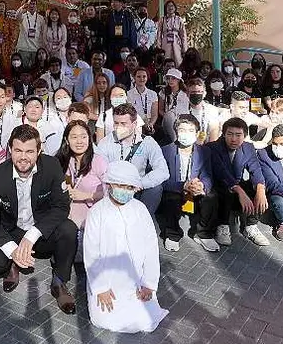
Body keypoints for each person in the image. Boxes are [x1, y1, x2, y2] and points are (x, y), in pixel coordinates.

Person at [0, 125, 78, 314]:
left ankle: (59, 282)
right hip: (11, 230)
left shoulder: (52, 166)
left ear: (39, 150)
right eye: (18, 150)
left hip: (40, 230)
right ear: (10, 149)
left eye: (30, 151)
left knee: (69, 229)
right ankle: (13, 263)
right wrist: (13, 250)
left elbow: (61, 206)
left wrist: (32, 234)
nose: (23, 157)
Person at [83, 160, 167, 333]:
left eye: (130, 187)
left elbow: (151, 248)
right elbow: (91, 252)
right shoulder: (97, 212)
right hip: (106, 281)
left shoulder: (140, 210)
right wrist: (101, 288)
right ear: (110, 184)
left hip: (137, 280)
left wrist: (149, 283)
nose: (125, 191)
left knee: (145, 319)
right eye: (120, 185)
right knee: (103, 319)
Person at [205, 117, 271, 247]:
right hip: (219, 189)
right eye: (230, 134)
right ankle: (223, 226)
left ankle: (251, 226)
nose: (234, 139)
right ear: (223, 134)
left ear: (245, 136)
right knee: (226, 191)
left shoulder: (248, 147)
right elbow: (221, 172)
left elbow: (255, 169)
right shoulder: (213, 147)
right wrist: (239, 191)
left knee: (259, 188)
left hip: (237, 187)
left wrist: (260, 189)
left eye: (238, 135)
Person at [158, 115, 219, 252]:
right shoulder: (165, 151)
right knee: (171, 198)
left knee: (211, 197)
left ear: (197, 134)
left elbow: (207, 175)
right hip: (176, 190)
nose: (186, 134)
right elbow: (161, 179)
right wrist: (182, 186)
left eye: (190, 130)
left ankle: (204, 234)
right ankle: (172, 235)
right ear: (176, 132)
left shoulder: (205, 151)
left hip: (195, 191)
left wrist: (202, 186)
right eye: (182, 130)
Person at [98, 104, 169, 214]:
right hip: (113, 188)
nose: (118, 127)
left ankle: (143, 219)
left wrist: (140, 184)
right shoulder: (105, 142)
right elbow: (100, 171)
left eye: (123, 124)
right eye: (116, 123)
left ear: (134, 124)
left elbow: (163, 171)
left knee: (156, 189)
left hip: (137, 188)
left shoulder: (147, 142)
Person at [55, 120, 108, 230]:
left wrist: (86, 195)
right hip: (67, 218)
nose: (79, 141)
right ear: (67, 140)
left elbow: (110, 192)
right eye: (74, 137)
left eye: (83, 137)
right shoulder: (63, 160)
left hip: (92, 219)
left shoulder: (99, 161)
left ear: (89, 139)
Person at [186, 77, 221, 143]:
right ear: (187, 94)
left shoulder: (212, 110)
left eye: (199, 92)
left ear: (204, 93)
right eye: (193, 92)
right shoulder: (181, 110)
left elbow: (214, 135)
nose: (196, 94)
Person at [127, 67, 159, 136]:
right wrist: (142, 124)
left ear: (147, 78)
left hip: (150, 123)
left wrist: (150, 124)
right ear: (134, 78)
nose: (141, 79)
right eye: (138, 76)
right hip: (136, 124)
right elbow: (130, 113)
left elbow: (154, 114)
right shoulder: (128, 94)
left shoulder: (153, 94)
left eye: (144, 76)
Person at [15, 0, 44, 69]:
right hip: (24, 48)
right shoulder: (22, 16)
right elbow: (16, 16)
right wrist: (22, 7)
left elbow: (43, 33)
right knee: (23, 69)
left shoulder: (41, 18)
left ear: (36, 6)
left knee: (35, 70)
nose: (32, 6)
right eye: (30, 4)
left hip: (36, 48)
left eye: (34, 4)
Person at [159, 0, 186, 67]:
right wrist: (159, 47)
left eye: (172, 6)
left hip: (177, 43)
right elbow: (159, 34)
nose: (170, 8)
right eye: (168, 6)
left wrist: (184, 48)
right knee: (166, 61)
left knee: (178, 61)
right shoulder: (162, 20)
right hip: (165, 43)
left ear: (175, 8)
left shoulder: (179, 19)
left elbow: (183, 35)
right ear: (165, 8)